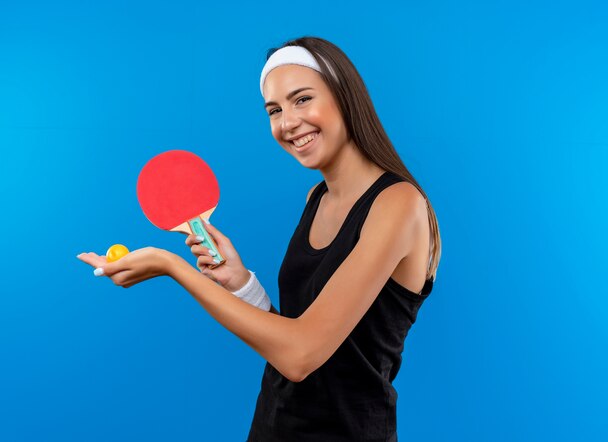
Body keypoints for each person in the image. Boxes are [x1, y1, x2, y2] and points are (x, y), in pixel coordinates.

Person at [77, 36, 442, 441]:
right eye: (274, 110)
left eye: (302, 99)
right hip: (274, 427)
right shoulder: (316, 198)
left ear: (344, 95)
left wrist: (173, 267)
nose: (287, 122)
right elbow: (293, 335)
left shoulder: (399, 204)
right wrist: (242, 284)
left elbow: (301, 355)